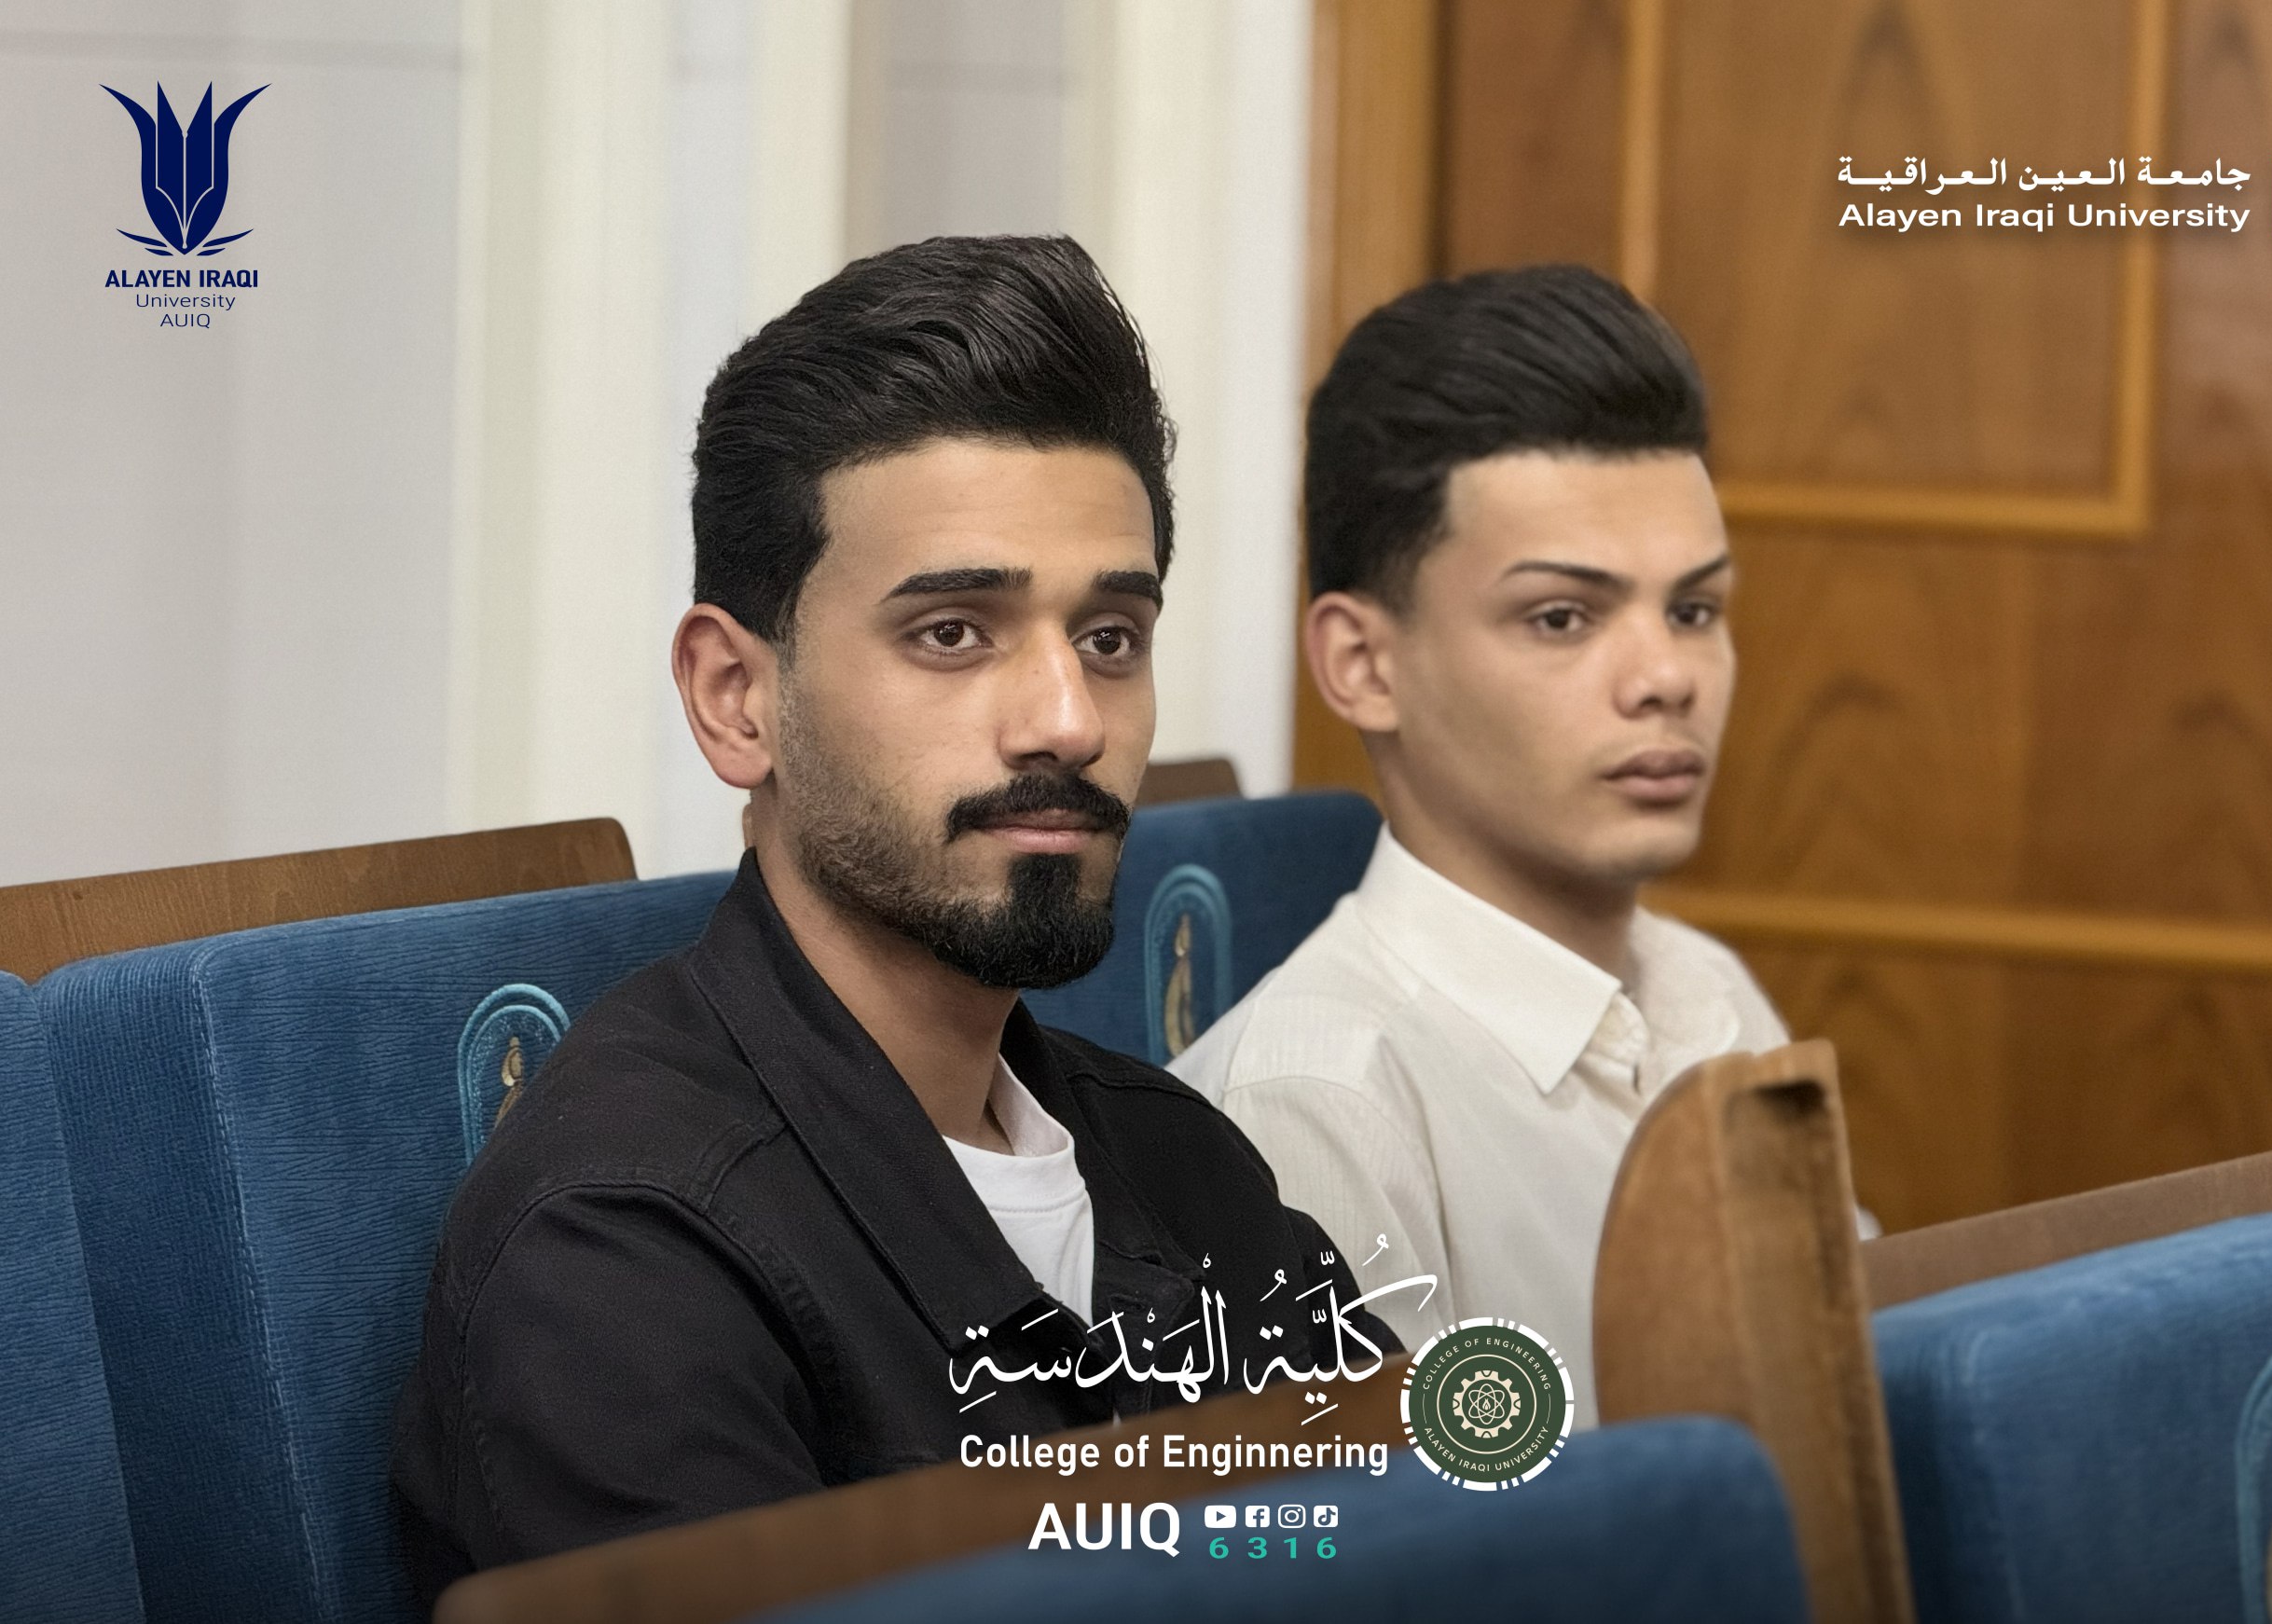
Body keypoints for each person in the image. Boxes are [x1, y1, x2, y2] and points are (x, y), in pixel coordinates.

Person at [392, 235, 1387, 1596]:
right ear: (736, 698)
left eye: (1110, 636)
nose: (1069, 720)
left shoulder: (1186, 1163)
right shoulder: (618, 1256)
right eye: (953, 632)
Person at [1171, 265, 1792, 1386]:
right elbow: (1388, 1506)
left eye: (1693, 608)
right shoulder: (1314, 1108)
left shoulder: (1711, 989)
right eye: (1561, 616)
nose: (1666, 676)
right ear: (1364, 665)